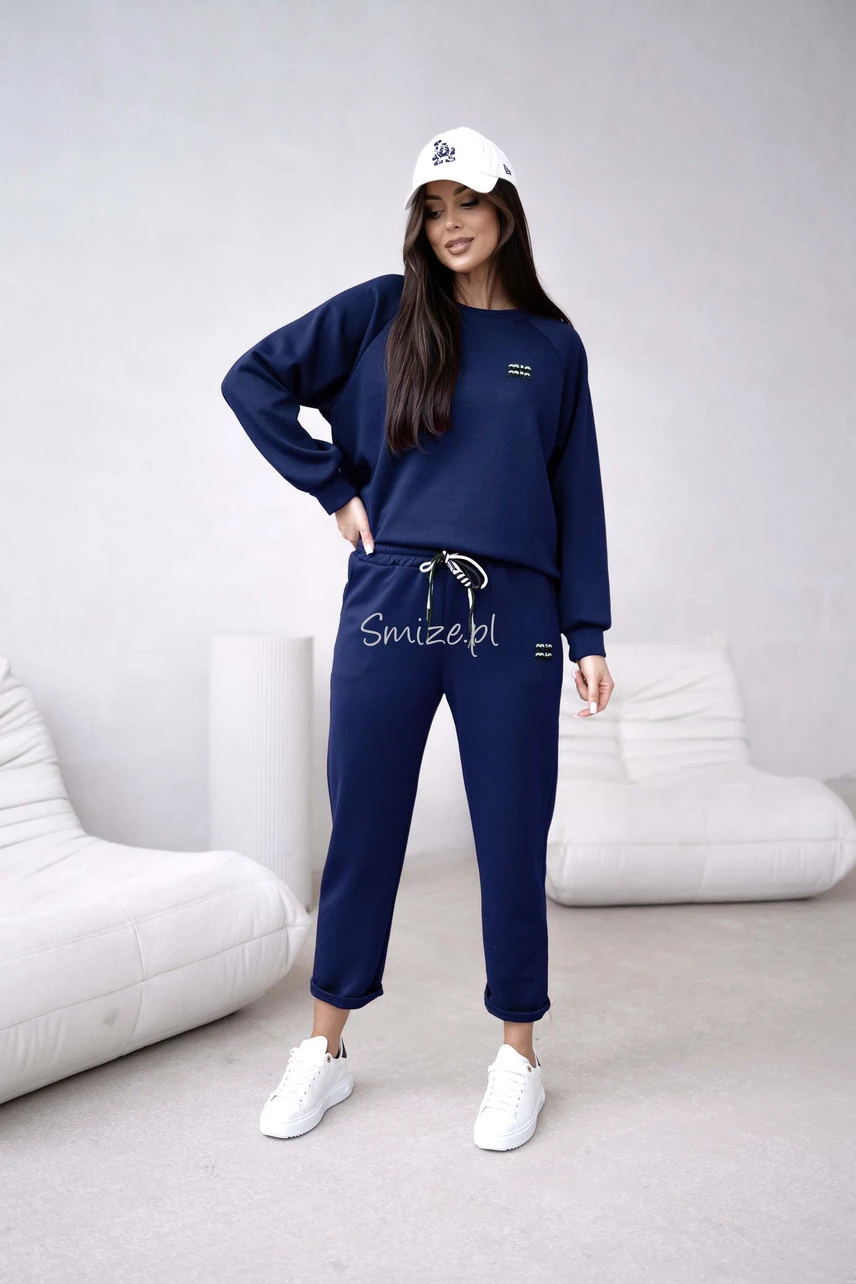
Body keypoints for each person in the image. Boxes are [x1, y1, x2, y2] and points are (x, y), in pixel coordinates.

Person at [220, 125, 614, 1150]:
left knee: (511, 833)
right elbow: (251, 379)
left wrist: (587, 631)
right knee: (363, 827)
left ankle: (519, 1058)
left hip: (512, 611)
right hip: (393, 593)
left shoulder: (552, 345)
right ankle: (325, 1050)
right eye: (433, 209)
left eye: (467, 203)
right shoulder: (380, 313)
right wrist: (332, 488)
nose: (450, 224)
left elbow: (576, 491)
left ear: (504, 209)